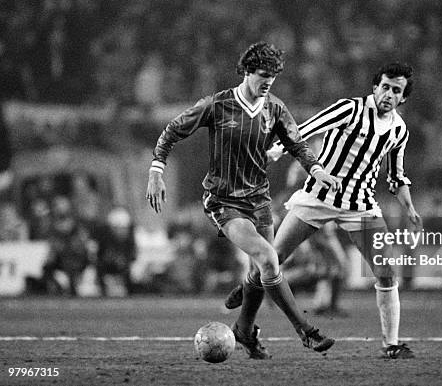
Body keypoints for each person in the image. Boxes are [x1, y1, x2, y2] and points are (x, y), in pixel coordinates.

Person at [146, 42, 340, 359]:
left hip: (259, 200)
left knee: (261, 270)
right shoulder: (217, 104)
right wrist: (156, 172)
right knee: (267, 258)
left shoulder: (274, 108)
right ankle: (306, 331)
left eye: (273, 77)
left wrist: (316, 170)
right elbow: (171, 132)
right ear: (247, 71)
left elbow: (298, 145)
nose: (268, 82)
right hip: (224, 201)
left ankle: (245, 333)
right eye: (263, 75)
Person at [225, 62, 421, 358]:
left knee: (386, 272)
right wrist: (277, 150)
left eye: (396, 90)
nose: (389, 94)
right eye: (385, 87)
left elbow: (396, 176)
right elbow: (308, 127)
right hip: (317, 197)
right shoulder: (350, 109)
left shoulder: (398, 130)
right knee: (272, 259)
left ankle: (391, 345)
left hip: (361, 207)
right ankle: (251, 285)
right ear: (374, 87)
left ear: (403, 97)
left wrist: (410, 208)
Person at [92, 207, 137, 297]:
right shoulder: (103, 242)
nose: (122, 231)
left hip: (123, 279)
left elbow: (130, 262)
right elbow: (98, 263)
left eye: (125, 228)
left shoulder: (130, 242)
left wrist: (121, 279)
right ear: (112, 228)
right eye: (119, 228)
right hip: (105, 277)